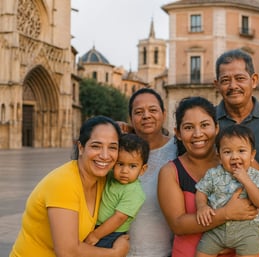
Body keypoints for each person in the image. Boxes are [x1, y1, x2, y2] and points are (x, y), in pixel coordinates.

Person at [158, 96, 259, 257]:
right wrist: (226, 213)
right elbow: (178, 225)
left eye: (205, 125)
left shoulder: (243, 164)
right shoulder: (171, 172)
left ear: (216, 128)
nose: (198, 133)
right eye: (188, 127)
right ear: (178, 133)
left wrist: (249, 243)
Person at [9, 115, 129, 257]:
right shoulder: (64, 182)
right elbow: (67, 252)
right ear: (81, 147)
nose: (105, 155)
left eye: (112, 147)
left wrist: (130, 130)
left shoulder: (102, 178)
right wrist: (115, 253)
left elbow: (137, 157)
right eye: (96, 146)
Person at [214, 49, 259, 257]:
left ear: (254, 80)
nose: (233, 85)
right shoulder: (207, 124)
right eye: (225, 80)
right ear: (216, 84)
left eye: (240, 78)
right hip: (218, 231)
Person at [195, 124, 259, 257]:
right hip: (216, 229)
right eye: (227, 152)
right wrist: (202, 206)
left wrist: (246, 180)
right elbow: (201, 191)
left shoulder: (257, 176)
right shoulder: (213, 174)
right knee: (201, 253)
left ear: (252, 155)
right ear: (219, 157)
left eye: (241, 151)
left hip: (247, 230)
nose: (234, 157)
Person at [126, 88, 177, 257]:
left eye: (153, 110)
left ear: (163, 113)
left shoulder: (179, 150)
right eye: (139, 112)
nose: (146, 116)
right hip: (125, 252)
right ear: (131, 119)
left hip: (169, 252)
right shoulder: (119, 152)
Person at [84, 133, 149, 248]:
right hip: (96, 226)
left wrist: (95, 235)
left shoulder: (134, 192)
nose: (124, 171)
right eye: (120, 164)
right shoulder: (110, 176)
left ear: (142, 169)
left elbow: (119, 218)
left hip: (111, 233)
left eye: (132, 166)